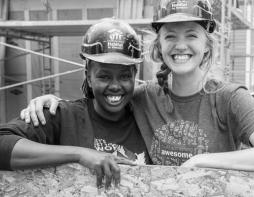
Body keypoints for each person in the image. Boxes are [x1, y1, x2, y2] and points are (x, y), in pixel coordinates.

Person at [20, 0, 254, 172]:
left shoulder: (229, 98)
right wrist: (50, 101)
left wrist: (201, 162)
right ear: (159, 47)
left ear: (206, 46)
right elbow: (106, 93)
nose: (181, 45)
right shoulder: (144, 97)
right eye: (170, 36)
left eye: (191, 35)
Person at [0, 18, 150, 188]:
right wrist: (80, 154)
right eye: (104, 76)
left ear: (134, 75)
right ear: (89, 77)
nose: (115, 86)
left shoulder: (146, 117)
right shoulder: (63, 116)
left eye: (124, 76)